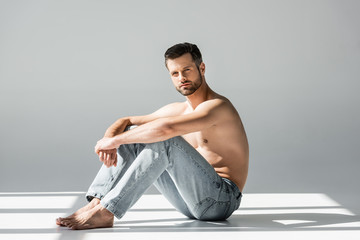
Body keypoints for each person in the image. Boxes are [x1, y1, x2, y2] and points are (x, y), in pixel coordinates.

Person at [56, 42, 249, 230]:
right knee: (135, 135)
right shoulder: (177, 109)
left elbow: (166, 129)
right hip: (188, 201)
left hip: (221, 200)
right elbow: (126, 120)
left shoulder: (218, 106)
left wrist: (114, 141)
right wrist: (109, 141)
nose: (181, 77)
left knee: (164, 139)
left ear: (202, 68)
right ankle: (96, 202)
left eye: (187, 70)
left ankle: (107, 212)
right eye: (175, 73)